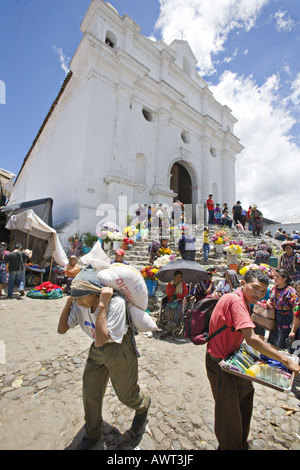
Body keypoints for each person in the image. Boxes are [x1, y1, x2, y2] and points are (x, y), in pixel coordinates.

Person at [57, 265, 150, 450]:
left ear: (94, 293)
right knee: (90, 390)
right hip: (97, 351)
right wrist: (70, 300)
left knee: (127, 395)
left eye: (82, 296)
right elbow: (61, 329)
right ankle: (92, 433)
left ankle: (143, 405)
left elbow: (101, 339)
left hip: (119, 349)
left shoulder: (115, 303)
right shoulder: (78, 302)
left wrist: (102, 305)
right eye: (76, 296)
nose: (79, 301)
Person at [205, 268, 300, 450]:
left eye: (263, 291)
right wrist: (285, 360)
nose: (259, 294)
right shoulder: (235, 301)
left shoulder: (243, 299)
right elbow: (252, 338)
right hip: (221, 364)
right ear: (243, 284)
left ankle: (241, 442)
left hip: (234, 359)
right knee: (229, 414)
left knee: (245, 399)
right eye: (255, 288)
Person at [266, 269, 298, 350]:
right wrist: (268, 302)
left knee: (282, 343)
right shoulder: (274, 288)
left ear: (285, 279)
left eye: (277, 276)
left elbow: (296, 308)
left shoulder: (290, 291)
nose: (275, 278)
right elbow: (270, 298)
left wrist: (293, 327)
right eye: (274, 276)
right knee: (272, 341)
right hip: (275, 317)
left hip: (286, 319)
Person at [287, 280, 300, 357]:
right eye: (297, 292)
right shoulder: (298, 305)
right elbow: (296, 320)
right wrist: (292, 331)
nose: (298, 295)